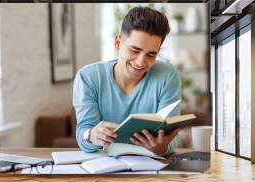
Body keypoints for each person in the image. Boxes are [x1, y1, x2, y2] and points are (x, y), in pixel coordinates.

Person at [73, 6, 181, 155]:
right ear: (118, 42)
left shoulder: (167, 75)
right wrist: (90, 135)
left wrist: (161, 148)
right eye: (135, 50)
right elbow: (83, 135)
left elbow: (171, 136)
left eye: (151, 55)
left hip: (149, 164)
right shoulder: (88, 77)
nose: (141, 62)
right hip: (104, 165)